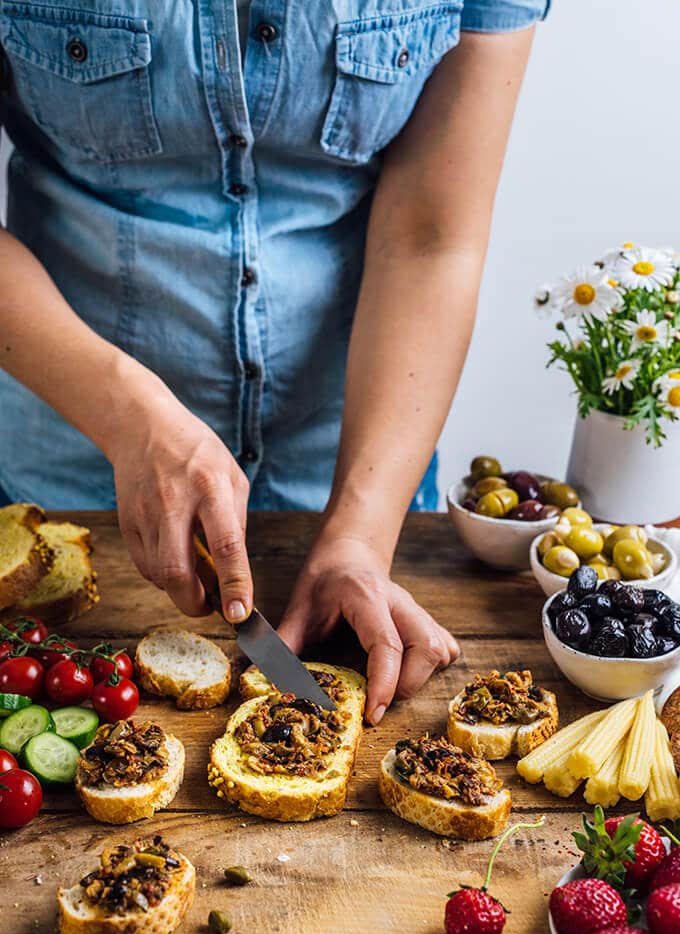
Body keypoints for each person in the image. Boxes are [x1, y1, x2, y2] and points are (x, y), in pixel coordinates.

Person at [0, 0, 549, 723]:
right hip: (72, 478)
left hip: (357, 479)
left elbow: (432, 237)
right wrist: (128, 415)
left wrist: (360, 533)